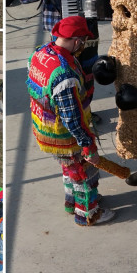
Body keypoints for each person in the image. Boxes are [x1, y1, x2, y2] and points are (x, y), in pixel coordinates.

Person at [27, 16, 115, 226]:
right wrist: (88, 145)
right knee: (84, 172)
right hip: (64, 136)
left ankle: (71, 202)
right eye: (84, 41)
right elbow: (71, 119)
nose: (84, 46)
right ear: (77, 41)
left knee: (68, 168)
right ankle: (87, 213)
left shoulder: (40, 53)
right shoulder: (63, 74)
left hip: (43, 128)